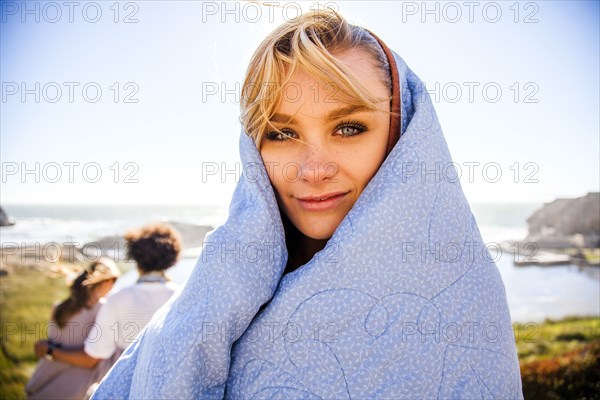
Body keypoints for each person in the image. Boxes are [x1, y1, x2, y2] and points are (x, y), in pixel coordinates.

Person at [93, 10, 523, 399]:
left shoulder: (465, 300)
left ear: (403, 137)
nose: (312, 170)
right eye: (281, 134)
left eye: (349, 127)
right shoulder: (216, 286)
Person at [33, 223, 182, 396]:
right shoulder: (182, 297)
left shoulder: (117, 300)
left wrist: (49, 351)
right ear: (172, 259)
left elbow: (95, 353)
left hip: (126, 391)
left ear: (136, 258)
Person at [26, 258, 120, 400]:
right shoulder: (103, 309)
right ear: (108, 281)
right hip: (71, 389)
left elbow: (47, 347)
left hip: (42, 383)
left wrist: (49, 351)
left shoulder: (59, 307)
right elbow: (91, 360)